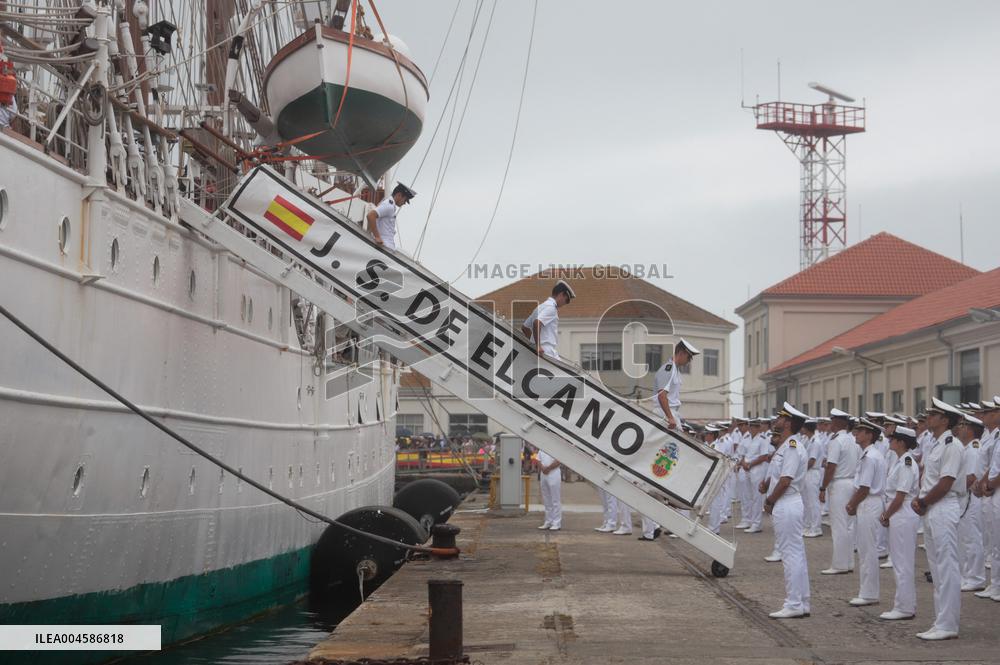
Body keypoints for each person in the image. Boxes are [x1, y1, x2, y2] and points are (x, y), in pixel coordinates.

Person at [911, 397, 965, 641]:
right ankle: (940, 620)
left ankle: (948, 624)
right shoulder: (935, 443)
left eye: (933, 414)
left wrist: (923, 501)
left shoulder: (951, 444)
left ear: (945, 419)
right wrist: (921, 500)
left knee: (947, 567)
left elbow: (946, 482)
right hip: (933, 507)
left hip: (943, 506)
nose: (928, 417)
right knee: (936, 567)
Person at [640, 338, 700, 540]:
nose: (689, 361)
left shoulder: (673, 369)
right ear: (681, 352)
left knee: (674, 460)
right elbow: (662, 396)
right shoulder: (669, 367)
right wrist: (670, 418)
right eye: (689, 357)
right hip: (667, 415)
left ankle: (670, 500)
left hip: (671, 414)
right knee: (677, 459)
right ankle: (673, 496)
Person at [762, 402, 811, 619]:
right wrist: (767, 486)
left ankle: (793, 603)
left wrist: (770, 500)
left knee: (790, 555)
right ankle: (802, 601)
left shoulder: (791, 445)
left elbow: (785, 480)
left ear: (788, 423)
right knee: (796, 554)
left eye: (781, 417)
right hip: (787, 501)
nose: (777, 420)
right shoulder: (786, 445)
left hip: (786, 502)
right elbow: (777, 477)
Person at [879, 426, 921, 620]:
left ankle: (904, 607)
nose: (889, 441)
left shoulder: (906, 462)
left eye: (893, 438)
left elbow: (900, 496)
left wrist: (886, 515)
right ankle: (904, 604)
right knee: (899, 560)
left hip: (902, 512)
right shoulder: (900, 461)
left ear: (902, 442)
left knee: (902, 562)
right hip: (900, 513)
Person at [845, 418, 886, 607]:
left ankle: (869, 594)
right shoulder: (870, 454)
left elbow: (864, 487)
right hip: (869, 503)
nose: (857, 433)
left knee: (868, 550)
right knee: (865, 548)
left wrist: (852, 504)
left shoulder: (870, 456)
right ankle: (867, 591)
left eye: (861, 431)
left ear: (869, 435)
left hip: (869, 503)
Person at [819, 408, 861, 574]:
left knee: (838, 526)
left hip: (839, 484)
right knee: (849, 526)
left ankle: (839, 564)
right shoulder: (852, 439)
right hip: (851, 482)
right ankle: (848, 562)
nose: (830, 424)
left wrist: (822, 487)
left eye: (832, 421)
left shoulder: (836, 441)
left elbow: (831, 467)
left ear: (837, 423)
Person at [955, 411, 987, 592]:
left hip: (972, 499)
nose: (960, 429)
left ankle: (976, 577)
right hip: (965, 497)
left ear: (971, 430)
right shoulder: (966, 448)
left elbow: (972, 477)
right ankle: (968, 575)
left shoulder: (974, 448)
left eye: (963, 426)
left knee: (972, 538)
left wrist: (951, 489)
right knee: (964, 538)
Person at [974, 397, 1000, 600]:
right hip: (990, 490)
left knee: (997, 541)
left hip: (995, 490)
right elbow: (990, 465)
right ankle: (995, 584)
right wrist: (983, 483)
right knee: (992, 541)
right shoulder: (990, 435)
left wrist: (988, 485)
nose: (984, 416)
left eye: (989, 412)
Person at [522, 280, 575, 360]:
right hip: (546, 351)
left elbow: (525, 327)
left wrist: (534, 344)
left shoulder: (540, 307)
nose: (565, 303)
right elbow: (537, 322)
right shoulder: (552, 308)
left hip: (539, 351)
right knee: (566, 371)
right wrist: (538, 346)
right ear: (561, 295)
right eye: (566, 300)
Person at [367, 182, 415, 249]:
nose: (404, 203)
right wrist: (377, 237)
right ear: (399, 195)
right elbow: (371, 215)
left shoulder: (390, 206)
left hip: (386, 246)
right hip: (383, 246)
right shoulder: (389, 206)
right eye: (405, 200)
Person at [802, 419, 824, 538]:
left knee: (813, 502)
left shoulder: (816, 442)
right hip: (807, 473)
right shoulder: (808, 440)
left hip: (812, 472)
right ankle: (808, 525)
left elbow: (812, 461)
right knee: (806, 501)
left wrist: (799, 470)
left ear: (807, 428)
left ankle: (816, 528)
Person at [537, 448, 562, 531]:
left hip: (554, 473)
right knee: (546, 499)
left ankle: (556, 523)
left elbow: (559, 461)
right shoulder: (541, 448)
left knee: (555, 499)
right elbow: (538, 460)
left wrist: (548, 468)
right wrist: (543, 468)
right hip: (543, 474)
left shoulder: (556, 447)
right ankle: (548, 521)